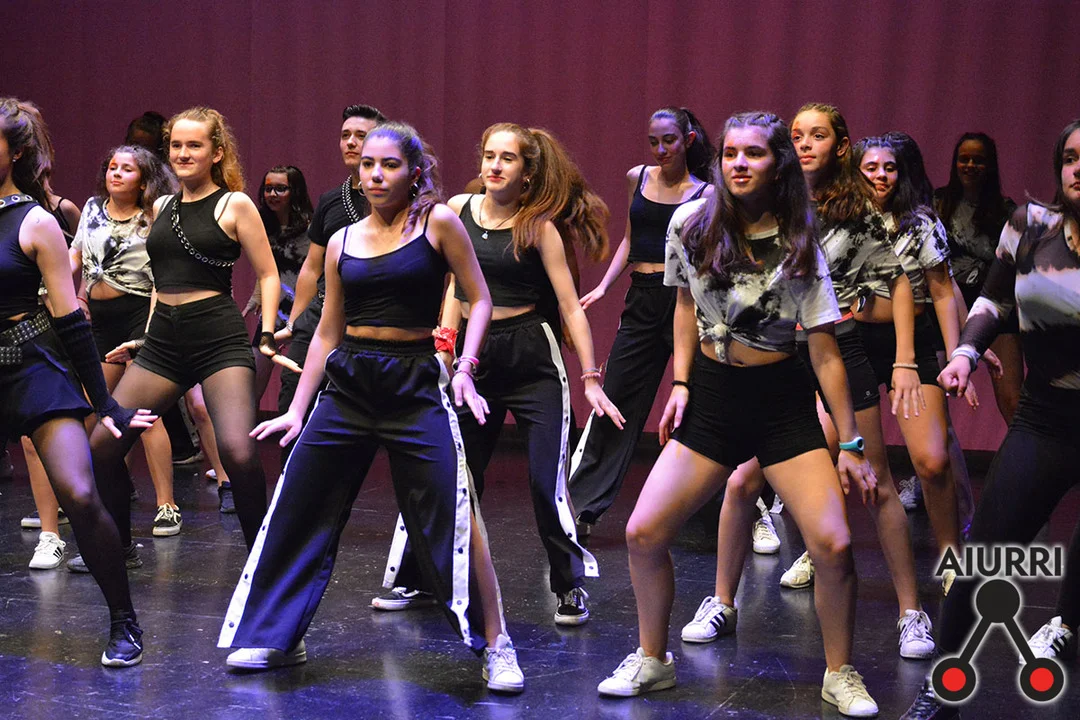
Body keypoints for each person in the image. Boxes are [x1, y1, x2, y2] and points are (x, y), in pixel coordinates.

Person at [219, 120, 525, 693]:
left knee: (455, 511)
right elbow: (327, 332)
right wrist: (297, 409)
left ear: (414, 172)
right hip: (350, 383)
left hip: (414, 381)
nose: (377, 174)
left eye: (389, 165)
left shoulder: (438, 222)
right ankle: (277, 636)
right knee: (300, 503)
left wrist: (464, 367)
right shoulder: (342, 240)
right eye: (368, 165)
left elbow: (479, 298)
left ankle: (496, 642)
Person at [596, 112, 879, 718]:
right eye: (730, 153)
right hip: (715, 397)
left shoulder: (800, 238)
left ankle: (840, 672)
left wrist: (852, 443)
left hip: (781, 403)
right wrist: (680, 382)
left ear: (777, 164)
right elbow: (682, 305)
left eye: (754, 153)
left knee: (833, 545)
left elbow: (825, 350)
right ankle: (653, 660)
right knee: (643, 532)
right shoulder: (690, 223)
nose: (739, 164)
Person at [681, 103, 934, 660]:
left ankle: (911, 611)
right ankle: (722, 600)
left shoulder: (855, 210)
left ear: (840, 146)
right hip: (780, 355)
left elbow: (898, 281)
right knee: (742, 483)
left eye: (817, 136)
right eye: (796, 136)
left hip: (834, 348)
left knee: (872, 478)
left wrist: (906, 361)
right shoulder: (757, 204)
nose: (805, 145)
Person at [377, 122, 622, 626]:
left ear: (527, 172)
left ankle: (569, 586)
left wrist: (590, 377)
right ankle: (420, 577)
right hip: (476, 357)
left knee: (545, 481)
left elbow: (569, 307)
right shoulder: (458, 211)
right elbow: (455, 289)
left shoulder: (540, 228)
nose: (494, 165)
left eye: (507, 158)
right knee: (451, 472)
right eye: (489, 155)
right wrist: (445, 350)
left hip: (533, 359)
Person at [900, 120, 1080, 719]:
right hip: (1048, 417)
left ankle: (1066, 625)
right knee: (986, 552)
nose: (1079, 169)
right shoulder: (1031, 225)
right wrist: (965, 354)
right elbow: (994, 300)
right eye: (1071, 158)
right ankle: (942, 686)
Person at [0, 97, 155, 665]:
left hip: (31, 364)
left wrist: (105, 403)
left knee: (81, 493)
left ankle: (124, 622)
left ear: (16, 153)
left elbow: (69, 318)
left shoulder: (34, 221)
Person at [85, 106, 280, 555]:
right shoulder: (162, 206)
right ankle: (120, 550)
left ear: (217, 152)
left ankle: (263, 561)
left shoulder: (234, 204)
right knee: (104, 443)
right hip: (164, 342)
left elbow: (269, 275)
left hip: (218, 338)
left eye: (194, 145)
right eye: (176, 145)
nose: (183, 154)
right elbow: (161, 280)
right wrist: (146, 336)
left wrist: (267, 334)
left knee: (238, 452)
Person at [569, 107, 715, 535]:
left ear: (687, 140)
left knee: (701, 402)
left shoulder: (706, 193)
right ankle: (582, 506)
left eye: (669, 140)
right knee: (617, 397)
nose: (660, 149)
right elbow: (632, 240)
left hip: (686, 300)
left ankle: (727, 511)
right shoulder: (639, 177)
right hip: (643, 296)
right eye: (654, 141)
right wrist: (604, 286)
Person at [854, 134, 969, 586]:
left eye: (889, 167)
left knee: (933, 461)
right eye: (871, 167)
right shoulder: (841, 221)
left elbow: (942, 291)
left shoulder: (919, 222)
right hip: (856, 344)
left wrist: (956, 356)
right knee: (837, 455)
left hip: (914, 343)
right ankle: (816, 552)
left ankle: (951, 558)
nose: (881, 175)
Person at [68, 146, 181, 539]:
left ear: (143, 179)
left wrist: (147, 334)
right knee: (92, 411)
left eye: (126, 169)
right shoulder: (92, 208)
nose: (116, 174)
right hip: (99, 320)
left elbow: (160, 279)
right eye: (112, 167)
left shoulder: (153, 217)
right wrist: (52, 282)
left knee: (144, 417)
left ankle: (167, 504)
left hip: (137, 314)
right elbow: (76, 255)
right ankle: (94, 493)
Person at [275, 105, 386, 449]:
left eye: (360, 136)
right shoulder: (331, 201)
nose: (350, 142)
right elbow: (312, 267)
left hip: (369, 321)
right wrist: (294, 322)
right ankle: (292, 481)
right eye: (345, 136)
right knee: (292, 403)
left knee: (355, 419)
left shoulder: (396, 199)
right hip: (320, 314)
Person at [934, 132, 1022, 423]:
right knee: (934, 400)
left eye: (978, 160)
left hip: (994, 306)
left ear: (990, 166)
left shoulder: (1006, 211)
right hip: (947, 303)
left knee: (1012, 399)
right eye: (964, 159)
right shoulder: (938, 203)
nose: (970, 165)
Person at [244, 164, 313, 402]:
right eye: (268, 188)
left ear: (295, 191)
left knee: (296, 383)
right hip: (275, 312)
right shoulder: (264, 225)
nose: (272, 194)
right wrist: (257, 296)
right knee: (251, 384)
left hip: (304, 313)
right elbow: (267, 268)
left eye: (280, 189)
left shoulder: (312, 228)